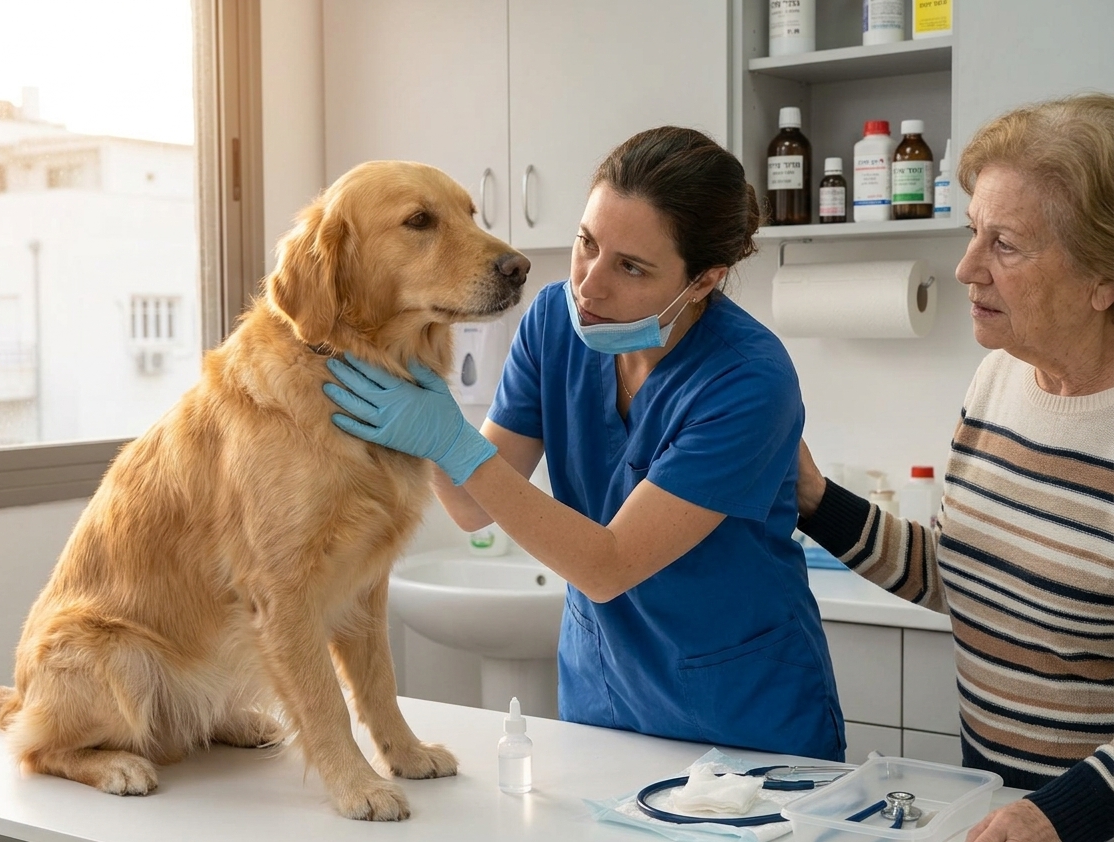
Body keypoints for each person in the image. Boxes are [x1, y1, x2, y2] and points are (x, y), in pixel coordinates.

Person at [323, 126, 846, 762]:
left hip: (743, 717)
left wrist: (450, 440)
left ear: (704, 280)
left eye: (631, 267)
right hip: (602, 704)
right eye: (587, 244)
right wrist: (405, 386)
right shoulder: (554, 323)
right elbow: (469, 505)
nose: (589, 286)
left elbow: (607, 567)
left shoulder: (747, 379)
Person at [795, 93, 1114, 842]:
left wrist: (1060, 813)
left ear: (1103, 277)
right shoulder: (999, 379)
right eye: (974, 233)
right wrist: (816, 500)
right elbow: (959, 576)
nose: (967, 268)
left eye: (1006, 245)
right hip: (998, 807)